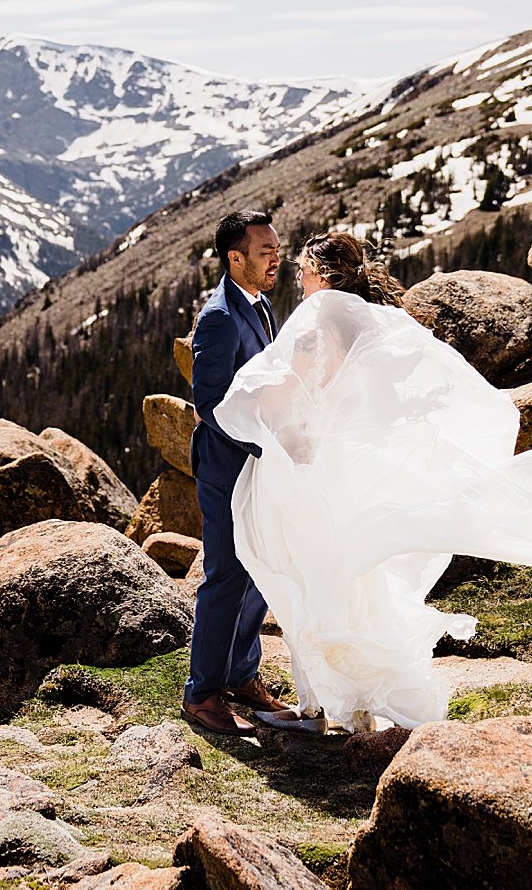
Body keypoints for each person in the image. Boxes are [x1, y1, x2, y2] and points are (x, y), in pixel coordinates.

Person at [216, 231, 532, 731]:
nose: (299, 283)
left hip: (314, 472)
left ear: (324, 276)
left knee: (313, 580)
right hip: (343, 469)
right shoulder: (371, 323)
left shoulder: (320, 319)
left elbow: (292, 395)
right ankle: (347, 705)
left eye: (305, 273)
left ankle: (325, 707)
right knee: (350, 583)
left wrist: (261, 416)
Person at [181, 209, 296, 736]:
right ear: (236, 258)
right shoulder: (220, 317)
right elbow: (208, 402)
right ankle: (202, 695)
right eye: (266, 251)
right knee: (226, 575)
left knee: (260, 567)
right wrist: (260, 444)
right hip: (228, 467)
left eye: (277, 248)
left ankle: (239, 675)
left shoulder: (260, 304)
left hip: (257, 463)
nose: (277, 258)